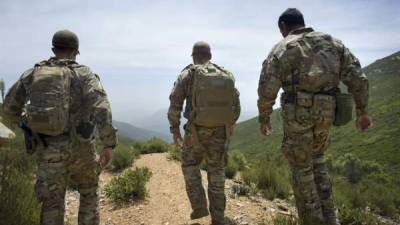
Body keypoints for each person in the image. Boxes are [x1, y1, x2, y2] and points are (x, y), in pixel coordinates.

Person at [257, 8, 372, 225]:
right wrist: (362, 112)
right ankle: (331, 219)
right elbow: (359, 78)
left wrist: (264, 119)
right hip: (326, 115)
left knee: (302, 170)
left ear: (283, 26)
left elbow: (266, 90)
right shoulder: (333, 43)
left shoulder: (281, 48)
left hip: (298, 115)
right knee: (318, 161)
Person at [3, 29, 117, 225]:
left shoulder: (33, 73)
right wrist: (108, 144)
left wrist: (28, 121)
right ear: (76, 51)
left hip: (47, 149)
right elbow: (102, 107)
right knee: (89, 193)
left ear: (54, 49)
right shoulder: (84, 74)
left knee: (51, 204)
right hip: (82, 150)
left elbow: (8, 109)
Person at [168, 41, 241, 225]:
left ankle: (199, 206)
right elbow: (236, 103)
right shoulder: (225, 75)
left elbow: (175, 102)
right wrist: (229, 124)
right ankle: (218, 216)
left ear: (193, 56)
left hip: (195, 133)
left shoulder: (188, 74)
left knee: (190, 165)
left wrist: (175, 129)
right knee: (217, 171)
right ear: (210, 56)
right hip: (220, 132)